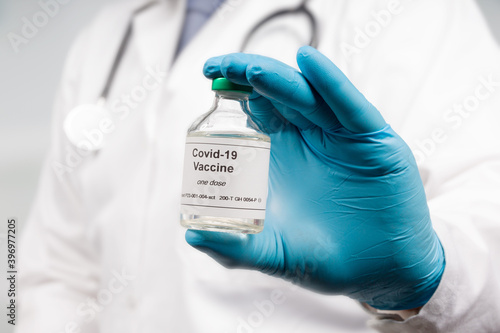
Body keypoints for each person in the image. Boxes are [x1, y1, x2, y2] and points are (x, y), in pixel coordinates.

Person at [17, 0, 500, 332]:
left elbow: (488, 218)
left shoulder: (410, 12)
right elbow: (56, 268)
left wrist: (420, 278)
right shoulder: (105, 36)